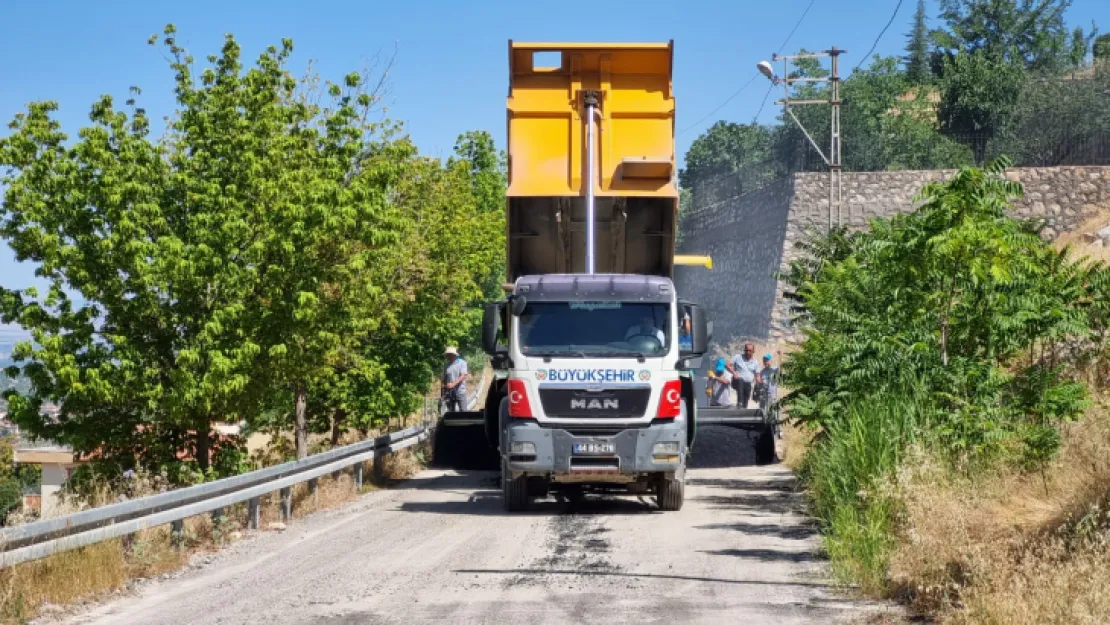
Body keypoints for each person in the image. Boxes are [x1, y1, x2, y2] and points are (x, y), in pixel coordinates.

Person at [727, 343, 760, 408]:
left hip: (747, 384)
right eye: (746, 350)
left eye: (750, 351)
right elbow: (727, 365)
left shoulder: (755, 362)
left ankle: (743, 410)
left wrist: (759, 385)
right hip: (737, 381)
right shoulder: (737, 357)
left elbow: (757, 375)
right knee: (740, 380)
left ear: (753, 351)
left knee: (745, 403)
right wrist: (734, 372)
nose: (748, 352)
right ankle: (739, 402)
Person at [441, 346, 468, 412]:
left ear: (453, 355)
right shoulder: (446, 366)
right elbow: (444, 379)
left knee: (463, 410)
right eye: (447, 355)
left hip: (460, 391)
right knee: (450, 411)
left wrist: (453, 384)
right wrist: (445, 386)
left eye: (448, 355)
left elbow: (463, 376)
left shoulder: (462, 363)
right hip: (450, 393)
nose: (447, 357)